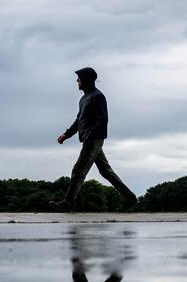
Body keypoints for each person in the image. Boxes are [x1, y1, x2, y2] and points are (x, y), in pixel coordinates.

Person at [50, 67, 137, 212]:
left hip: (94, 139)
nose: (77, 81)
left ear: (86, 80)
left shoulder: (98, 96)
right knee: (105, 171)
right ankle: (130, 197)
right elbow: (79, 120)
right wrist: (66, 134)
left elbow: (102, 119)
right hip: (89, 139)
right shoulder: (83, 99)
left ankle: (68, 203)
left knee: (78, 169)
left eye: (79, 78)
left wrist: (91, 137)